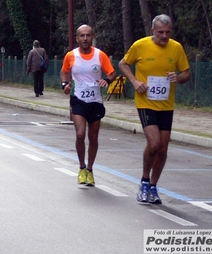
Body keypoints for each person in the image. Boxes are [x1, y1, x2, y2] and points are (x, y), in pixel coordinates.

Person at [118, 14, 191, 204]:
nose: (164, 36)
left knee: (163, 150)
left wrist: (178, 77)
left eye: (167, 32)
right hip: (146, 102)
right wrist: (134, 81)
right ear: (153, 31)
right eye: (160, 32)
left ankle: (153, 186)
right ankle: (143, 181)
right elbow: (123, 64)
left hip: (166, 104)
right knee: (154, 144)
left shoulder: (176, 48)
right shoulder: (140, 45)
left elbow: (186, 73)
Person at [61, 25, 117, 186]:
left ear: (92, 37)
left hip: (95, 101)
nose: (85, 38)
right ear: (77, 38)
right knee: (80, 134)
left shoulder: (100, 55)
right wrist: (64, 84)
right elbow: (64, 71)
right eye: (82, 36)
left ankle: (90, 170)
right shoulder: (71, 55)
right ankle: (81, 167)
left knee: (93, 138)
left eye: (88, 35)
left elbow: (112, 73)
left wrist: (106, 80)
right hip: (78, 99)